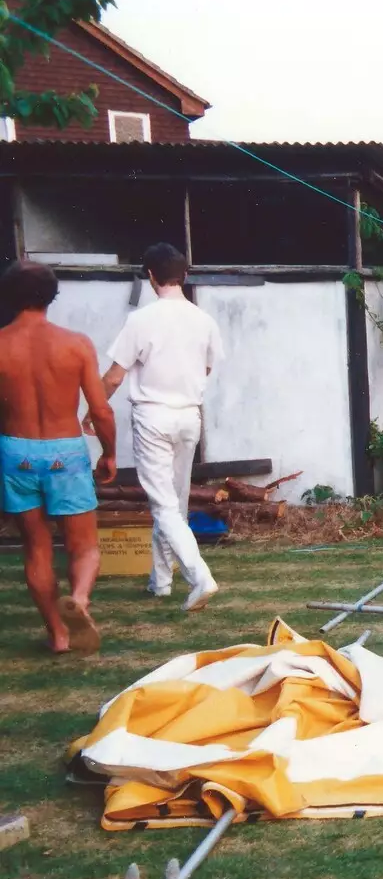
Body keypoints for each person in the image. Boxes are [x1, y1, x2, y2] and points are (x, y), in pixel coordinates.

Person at [95, 243, 223, 611]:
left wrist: (93, 409)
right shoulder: (204, 320)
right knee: (174, 505)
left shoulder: (141, 319)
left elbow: (115, 377)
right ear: (183, 275)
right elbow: (208, 370)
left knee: (164, 506)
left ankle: (200, 577)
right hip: (189, 415)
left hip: (153, 416)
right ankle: (161, 581)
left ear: (151, 276)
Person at [0, 261, 117, 653]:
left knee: (36, 546)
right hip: (64, 450)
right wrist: (109, 453)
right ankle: (80, 599)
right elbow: (101, 410)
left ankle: (59, 634)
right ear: (52, 297)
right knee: (83, 544)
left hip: (16, 450)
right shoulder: (76, 343)